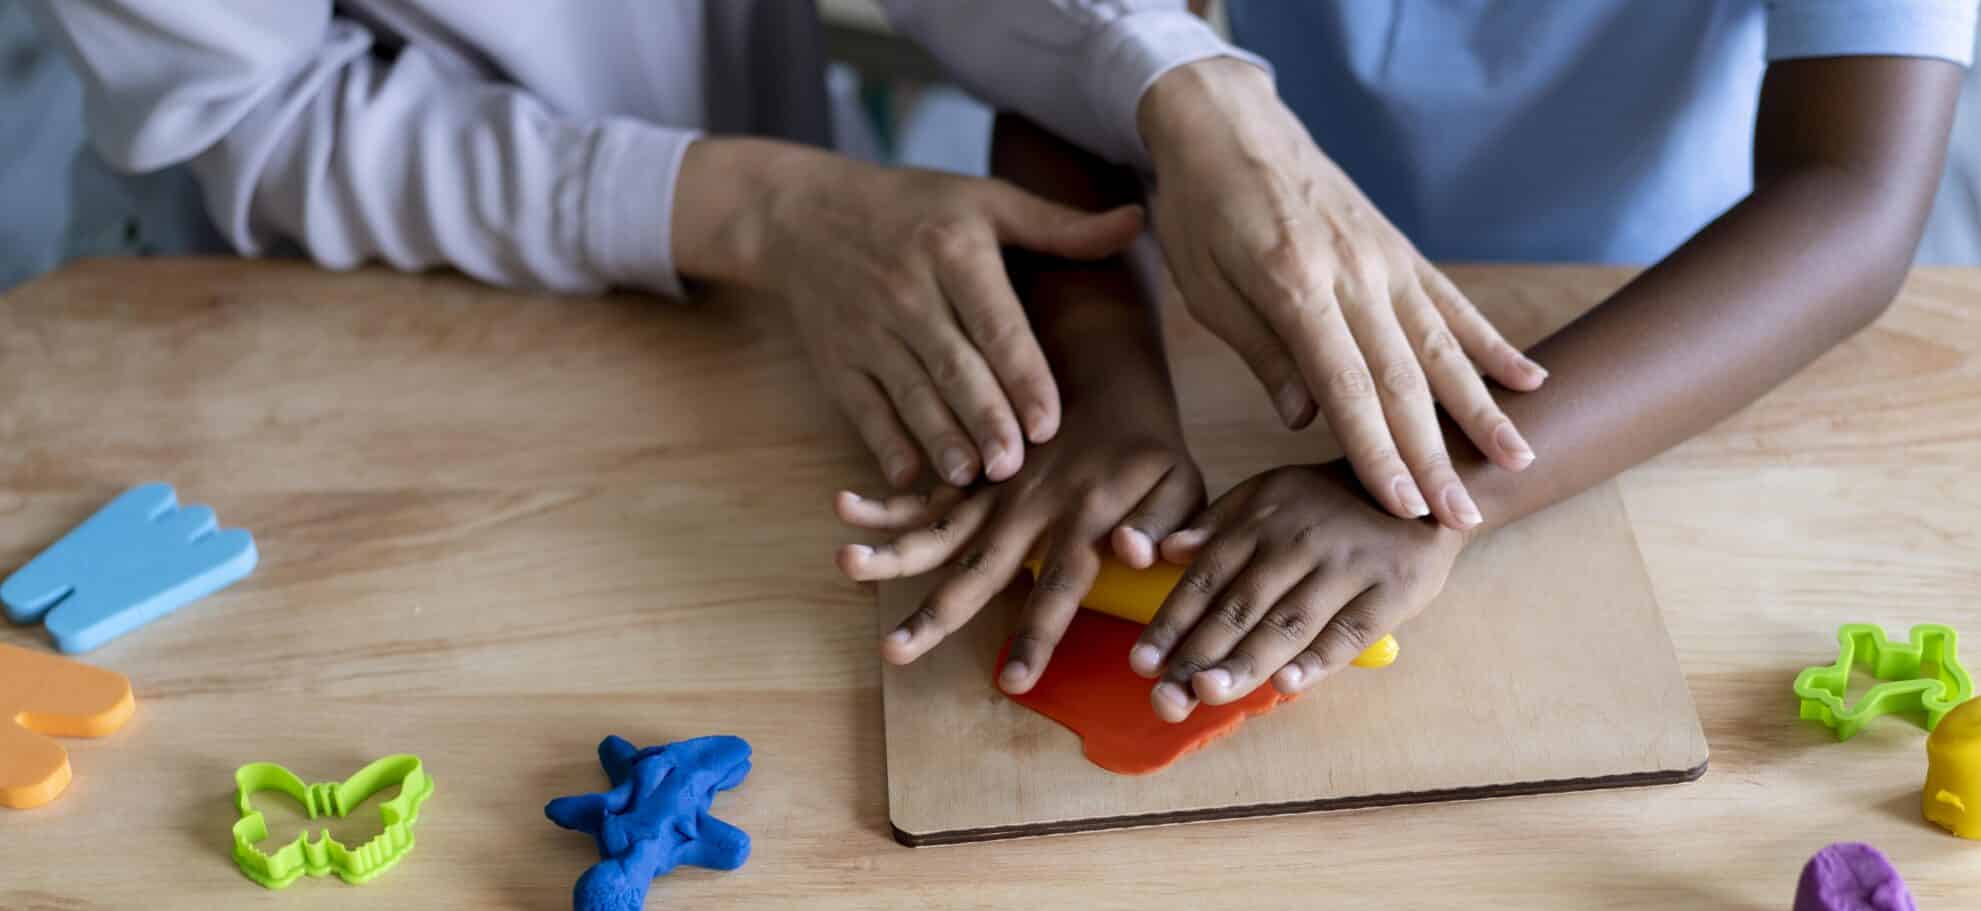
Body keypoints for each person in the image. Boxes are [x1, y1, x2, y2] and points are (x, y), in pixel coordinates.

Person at [848, 1, 1976, 722]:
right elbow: (1086, 54)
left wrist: (1438, 486)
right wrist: (1101, 379)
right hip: (1250, 265)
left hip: (1661, 314)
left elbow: (1852, 206)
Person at [20, 0, 1189, 490]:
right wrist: (758, 209)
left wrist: (1164, 76)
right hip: (320, 295)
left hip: (769, 251)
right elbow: (255, 117)